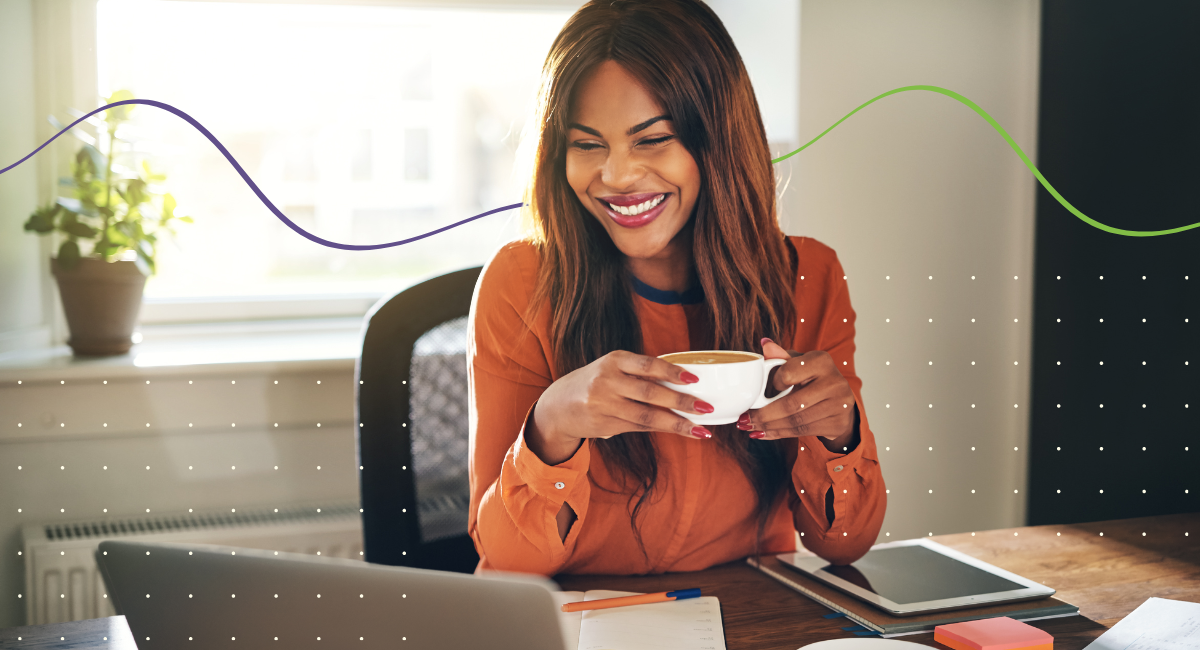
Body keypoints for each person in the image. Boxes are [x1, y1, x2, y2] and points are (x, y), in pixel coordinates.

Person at [467, 0, 885, 576]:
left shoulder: (806, 276)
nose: (615, 176)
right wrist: (553, 424)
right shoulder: (522, 284)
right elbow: (509, 562)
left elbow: (844, 543)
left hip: (744, 622)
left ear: (718, 141)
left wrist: (840, 434)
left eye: (652, 139)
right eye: (587, 145)